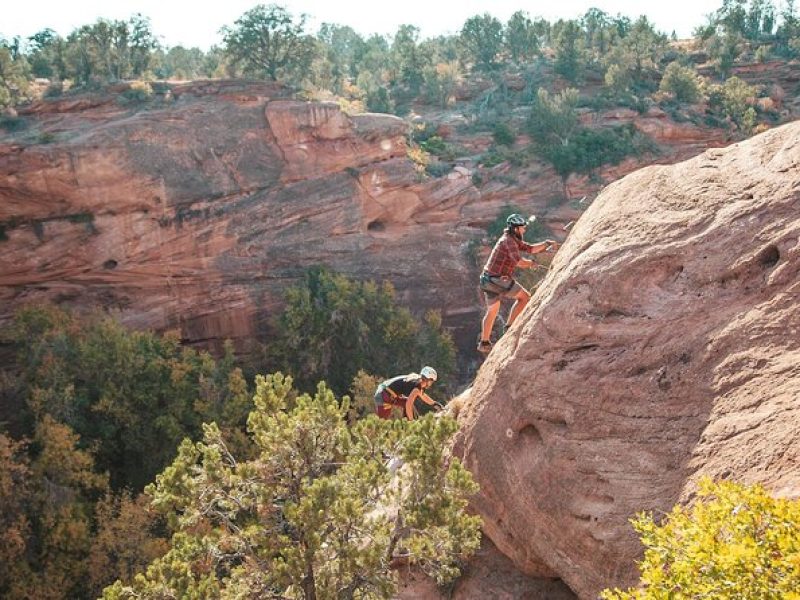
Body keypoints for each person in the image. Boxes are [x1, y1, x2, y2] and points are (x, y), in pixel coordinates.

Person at [477, 213, 559, 354]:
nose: (524, 230)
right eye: (522, 228)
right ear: (515, 229)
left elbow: (530, 248)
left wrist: (545, 244)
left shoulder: (511, 239)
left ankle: (484, 343)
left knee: (492, 311)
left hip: (487, 279)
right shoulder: (509, 242)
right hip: (497, 279)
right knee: (524, 297)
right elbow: (520, 262)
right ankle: (509, 328)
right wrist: (532, 264)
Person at [374, 366, 440, 420]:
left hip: (388, 394)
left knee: (405, 402)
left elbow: (422, 395)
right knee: (382, 423)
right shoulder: (416, 386)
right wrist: (411, 421)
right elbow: (409, 404)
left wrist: (433, 403)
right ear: (427, 379)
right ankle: (410, 425)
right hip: (383, 396)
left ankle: (409, 424)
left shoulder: (419, 381)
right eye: (431, 381)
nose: (431, 383)